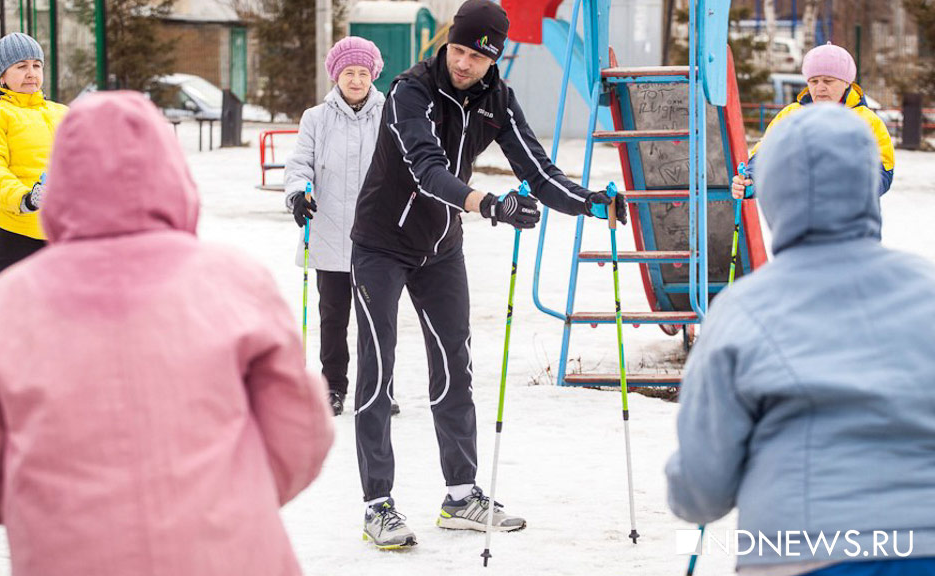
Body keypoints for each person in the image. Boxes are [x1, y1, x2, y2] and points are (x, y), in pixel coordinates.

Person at [0, 92, 334, 576]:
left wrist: (45, 507)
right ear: (171, 172)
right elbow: (300, 434)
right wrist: (232, 495)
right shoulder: (234, 282)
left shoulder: (2, 310)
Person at [349, 0, 628, 549]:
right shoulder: (412, 91)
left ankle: (460, 495)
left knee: (455, 366)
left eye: (476, 56)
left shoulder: (497, 100)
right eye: (456, 49)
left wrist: (591, 202)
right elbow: (426, 168)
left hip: (439, 248)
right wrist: (489, 205)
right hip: (380, 245)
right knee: (378, 370)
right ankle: (376, 504)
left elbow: (539, 171)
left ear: (493, 57)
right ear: (446, 44)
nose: (463, 63)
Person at [667, 105, 935, 575]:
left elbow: (701, 489)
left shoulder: (743, 309)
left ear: (773, 190)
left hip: (801, 551)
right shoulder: (926, 290)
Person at [285, 36, 392, 417]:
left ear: (373, 75)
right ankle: (333, 388)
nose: (357, 80)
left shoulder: (389, 113)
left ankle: (379, 388)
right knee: (333, 318)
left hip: (378, 238)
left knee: (377, 320)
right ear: (336, 75)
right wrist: (298, 193)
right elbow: (300, 166)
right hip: (330, 233)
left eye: (363, 72)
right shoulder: (316, 118)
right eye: (349, 72)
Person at [0, 33, 69, 277]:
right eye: (21, 66)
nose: (31, 73)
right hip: (18, 233)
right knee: (17, 312)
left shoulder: (62, 113)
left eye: (36, 65)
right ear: (2, 75)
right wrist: (24, 198)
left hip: (64, 231)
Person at [732, 42, 895, 200]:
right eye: (814, 81)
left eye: (828, 81)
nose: (820, 87)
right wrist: (750, 181)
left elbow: (883, 171)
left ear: (846, 83)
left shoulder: (867, 121)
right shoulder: (791, 115)